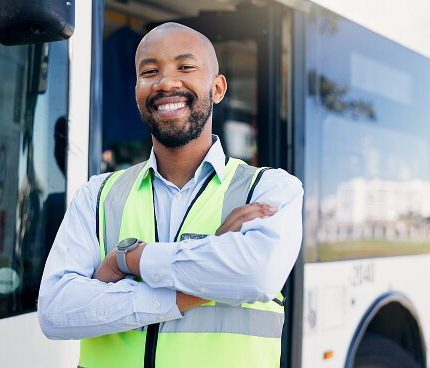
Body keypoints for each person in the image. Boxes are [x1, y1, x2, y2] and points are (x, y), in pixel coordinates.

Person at [38, 22, 303, 368]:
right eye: (150, 71)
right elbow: (56, 312)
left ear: (218, 88)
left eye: (185, 67)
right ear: (136, 90)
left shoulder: (270, 189)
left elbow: (258, 274)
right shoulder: (98, 194)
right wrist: (201, 273)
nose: (165, 82)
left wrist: (129, 260)